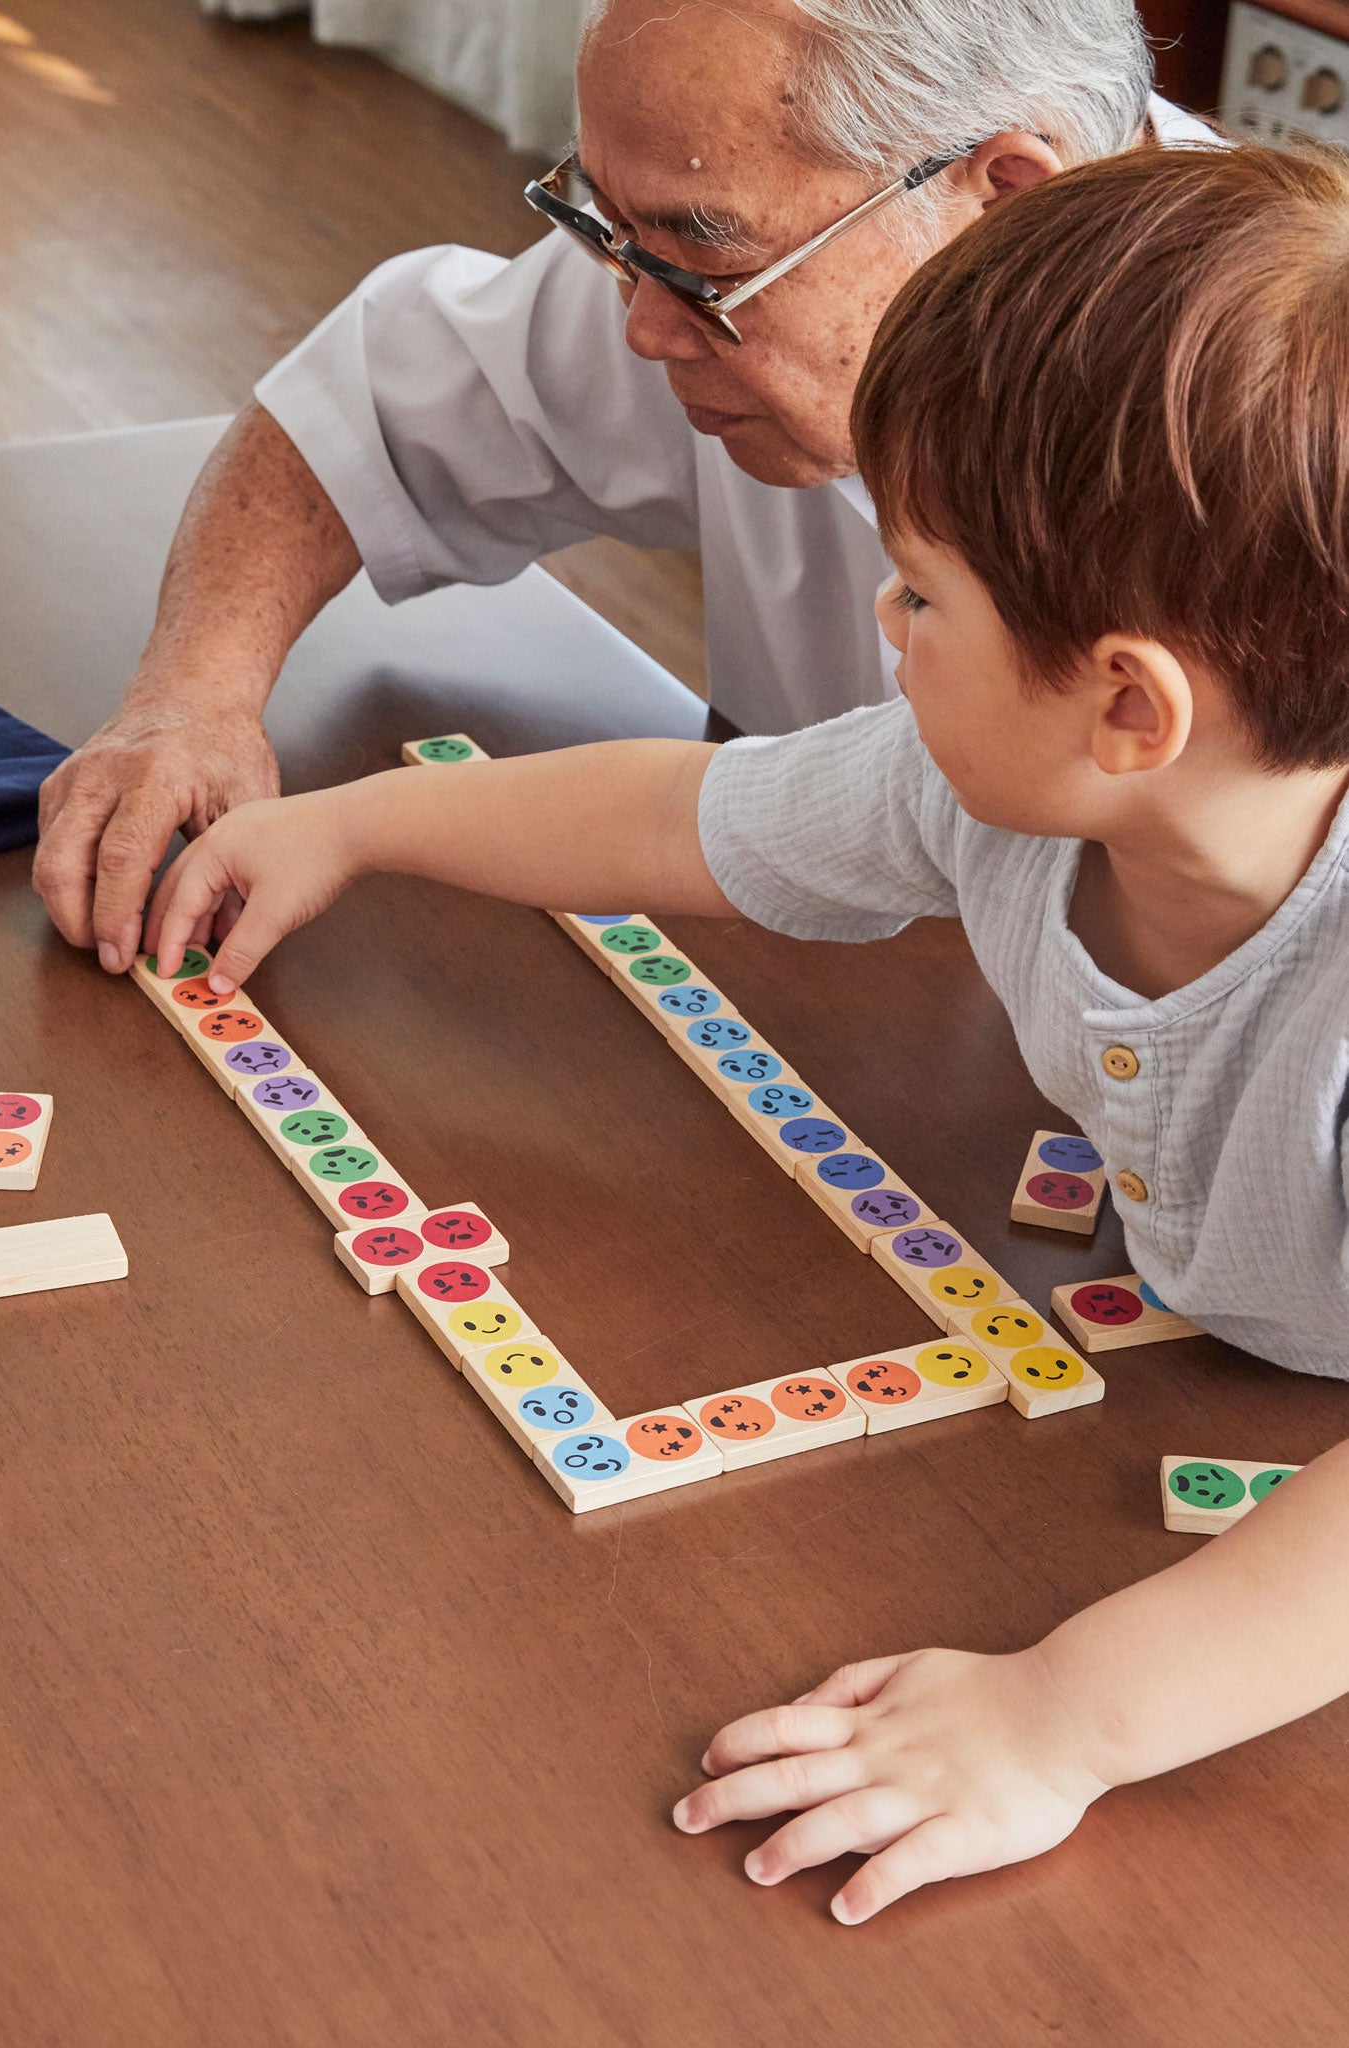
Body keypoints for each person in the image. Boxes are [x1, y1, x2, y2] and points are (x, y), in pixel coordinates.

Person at [137, 141, 1349, 1919]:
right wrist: (351, 823)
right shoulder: (1001, 793)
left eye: (922, 593)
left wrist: (1057, 1722)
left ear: (1123, 703)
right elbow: (681, 822)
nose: (881, 616)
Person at [33, 0, 1217, 975]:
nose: (644, 329)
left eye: (705, 257)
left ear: (1000, 200)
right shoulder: (715, 258)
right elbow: (362, 411)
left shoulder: (1282, 455)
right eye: (610, 232)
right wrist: (189, 698)